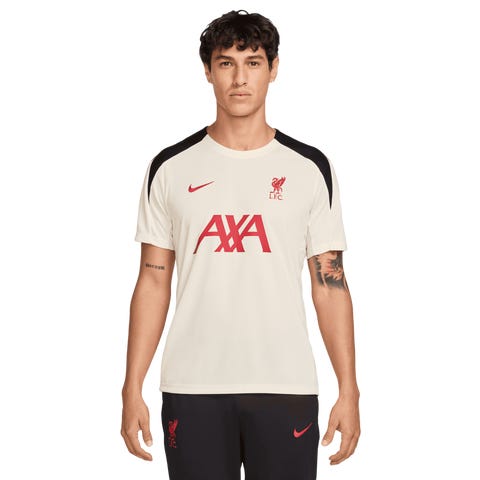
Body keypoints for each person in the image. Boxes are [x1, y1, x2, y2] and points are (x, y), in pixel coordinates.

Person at [121, 9, 360, 479]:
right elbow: (152, 282)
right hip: (192, 387)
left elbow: (330, 285)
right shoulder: (170, 168)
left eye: (253, 62)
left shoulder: (309, 168)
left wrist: (349, 389)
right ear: (208, 71)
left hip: (286, 385)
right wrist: (132, 388)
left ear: (274, 68)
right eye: (226, 63)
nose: (240, 78)